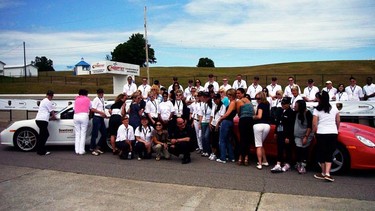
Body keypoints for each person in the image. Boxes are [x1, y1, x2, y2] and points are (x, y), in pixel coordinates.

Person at [313, 91, 340, 182]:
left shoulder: (317, 110)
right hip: (332, 132)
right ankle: (328, 173)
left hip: (321, 133)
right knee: (329, 153)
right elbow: (338, 121)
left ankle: (323, 172)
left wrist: (314, 133)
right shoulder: (334, 108)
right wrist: (336, 129)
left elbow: (314, 124)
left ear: (320, 99)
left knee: (321, 152)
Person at [270, 97, 295, 173]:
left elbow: (291, 126)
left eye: (285, 104)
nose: (283, 105)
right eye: (282, 104)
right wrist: (275, 132)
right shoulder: (280, 111)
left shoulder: (291, 113)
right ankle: (278, 163)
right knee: (280, 148)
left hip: (286, 134)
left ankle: (287, 163)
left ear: (288, 104)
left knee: (287, 149)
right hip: (280, 132)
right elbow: (278, 122)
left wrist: (288, 137)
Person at [216, 88, 237, 164]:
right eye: (228, 95)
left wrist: (220, 119)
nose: (228, 96)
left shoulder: (232, 102)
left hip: (226, 121)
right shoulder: (234, 102)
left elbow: (227, 113)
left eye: (229, 95)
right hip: (230, 121)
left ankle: (223, 157)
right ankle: (231, 157)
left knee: (222, 140)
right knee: (228, 140)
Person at [293, 100, 313, 174]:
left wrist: (306, 137)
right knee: (298, 149)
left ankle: (303, 165)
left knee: (304, 149)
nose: (294, 107)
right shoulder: (296, 113)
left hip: (306, 135)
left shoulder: (308, 114)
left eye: (296, 106)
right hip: (298, 135)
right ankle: (298, 163)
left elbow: (309, 126)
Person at [236, 88, 254, 166]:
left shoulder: (239, 101)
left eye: (239, 93)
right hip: (250, 120)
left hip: (243, 120)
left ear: (243, 93)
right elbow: (253, 112)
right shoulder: (249, 101)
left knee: (242, 139)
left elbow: (238, 112)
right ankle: (246, 157)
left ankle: (241, 157)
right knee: (248, 139)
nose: (237, 95)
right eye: (237, 93)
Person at [35, 90, 56, 155]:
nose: (51, 97)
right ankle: (41, 151)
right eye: (52, 96)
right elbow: (51, 111)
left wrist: (50, 118)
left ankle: (39, 150)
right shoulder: (48, 101)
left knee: (41, 135)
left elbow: (46, 111)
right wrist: (54, 117)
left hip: (39, 119)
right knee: (45, 135)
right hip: (42, 120)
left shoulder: (43, 101)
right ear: (51, 96)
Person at [253, 91, 270, 170]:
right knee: (261, 143)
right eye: (256, 98)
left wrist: (254, 117)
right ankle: (265, 160)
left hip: (259, 125)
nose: (257, 100)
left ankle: (259, 163)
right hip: (267, 125)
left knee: (258, 145)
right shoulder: (267, 104)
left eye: (258, 98)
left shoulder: (260, 105)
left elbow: (259, 116)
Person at [73, 89, 91, 155]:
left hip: (76, 115)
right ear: (86, 94)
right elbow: (90, 107)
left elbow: (74, 109)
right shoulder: (87, 99)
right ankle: (81, 150)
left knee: (77, 133)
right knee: (83, 133)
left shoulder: (76, 99)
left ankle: (76, 150)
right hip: (84, 115)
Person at [90, 88, 107, 156]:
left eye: (102, 93)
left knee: (104, 133)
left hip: (101, 117)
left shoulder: (102, 99)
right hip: (97, 117)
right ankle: (92, 148)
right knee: (95, 134)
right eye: (100, 94)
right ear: (98, 94)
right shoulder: (96, 99)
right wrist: (100, 112)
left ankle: (98, 146)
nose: (101, 95)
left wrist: (104, 114)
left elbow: (102, 108)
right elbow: (93, 109)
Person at [209, 93, 226, 161]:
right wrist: (210, 123)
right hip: (213, 123)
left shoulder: (223, 106)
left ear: (219, 99)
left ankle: (216, 153)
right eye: (214, 99)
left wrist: (217, 124)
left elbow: (221, 116)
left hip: (218, 125)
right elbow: (212, 115)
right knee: (212, 139)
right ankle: (213, 152)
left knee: (216, 140)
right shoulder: (214, 106)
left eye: (216, 99)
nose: (214, 100)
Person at [198, 92, 213, 157]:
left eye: (206, 97)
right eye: (204, 97)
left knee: (207, 136)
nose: (205, 98)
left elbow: (212, 114)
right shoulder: (203, 104)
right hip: (204, 122)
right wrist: (200, 123)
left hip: (209, 122)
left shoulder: (212, 104)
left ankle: (209, 151)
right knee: (203, 137)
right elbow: (201, 114)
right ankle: (205, 151)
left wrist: (210, 122)